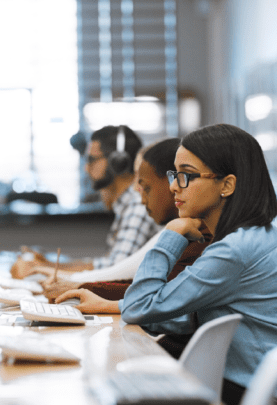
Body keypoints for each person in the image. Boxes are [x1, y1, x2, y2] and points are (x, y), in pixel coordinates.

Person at [118, 123, 277, 405]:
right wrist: (126, 307)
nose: (173, 187)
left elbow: (141, 307)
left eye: (186, 175)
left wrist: (171, 234)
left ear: (227, 185)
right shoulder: (250, 238)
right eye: (173, 175)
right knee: (160, 385)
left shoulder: (235, 251)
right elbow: (179, 312)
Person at [50, 139, 213, 357]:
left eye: (144, 184)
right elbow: (143, 290)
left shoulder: (203, 240)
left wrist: (82, 287)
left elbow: (153, 300)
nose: (136, 190)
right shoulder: (189, 232)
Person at [10, 125, 158, 277]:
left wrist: (43, 267)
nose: (86, 168)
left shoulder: (138, 205)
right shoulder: (127, 205)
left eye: (92, 160)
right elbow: (108, 264)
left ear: (117, 162)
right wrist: (48, 265)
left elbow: (114, 271)